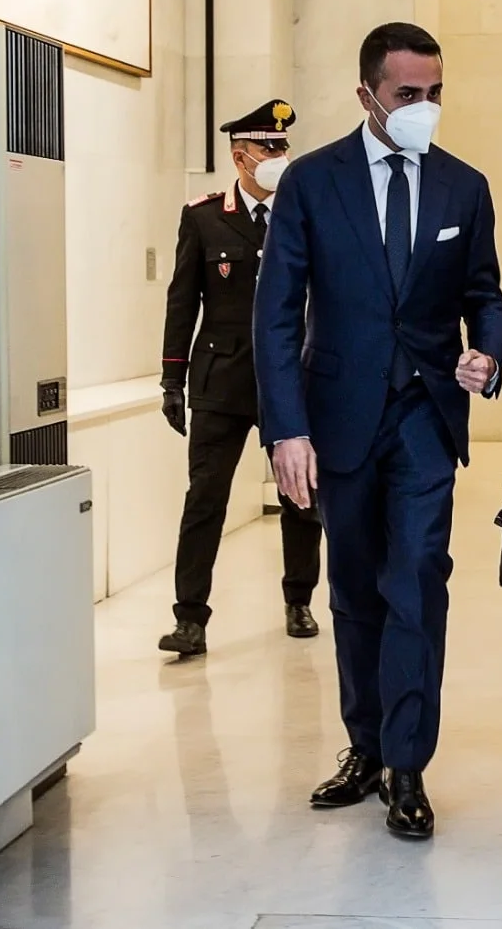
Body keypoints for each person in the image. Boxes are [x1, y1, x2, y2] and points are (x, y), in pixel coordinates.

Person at [254, 22, 502, 841]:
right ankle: (364, 746)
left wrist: (487, 355)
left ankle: (407, 764)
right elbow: (275, 313)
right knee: (355, 588)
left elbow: (487, 296)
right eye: (408, 94)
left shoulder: (463, 186)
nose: (424, 107)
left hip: (425, 418)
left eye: (435, 94)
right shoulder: (311, 182)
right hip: (339, 418)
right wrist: (286, 430)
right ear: (367, 94)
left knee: (418, 581)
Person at [157, 100, 323, 657]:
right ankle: (190, 618)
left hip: (291, 381)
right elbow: (182, 301)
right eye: (268, 148)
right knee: (205, 500)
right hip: (221, 381)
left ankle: (299, 600)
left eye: (283, 146)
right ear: (240, 157)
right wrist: (172, 380)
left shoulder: (303, 212)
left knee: (300, 496)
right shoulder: (204, 217)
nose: (279, 155)